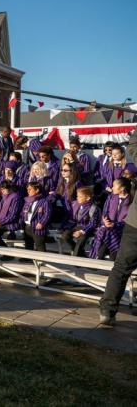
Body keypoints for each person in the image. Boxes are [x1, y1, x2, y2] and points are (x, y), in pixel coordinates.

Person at [100, 132, 137, 326]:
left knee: (121, 269)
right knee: (121, 268)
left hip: (134, 225)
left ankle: (107, 310)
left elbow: (133, 146)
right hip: (134, 225)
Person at [90, 178, 132, 261]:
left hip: (123, 229)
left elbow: (129, 219)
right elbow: (105, 212)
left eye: (114, 186)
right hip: (109, 227)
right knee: (107, 231)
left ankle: (99, 257)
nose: (112, 188)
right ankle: (103, 258)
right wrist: (105, 221)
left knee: (109, 233)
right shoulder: (111, 197)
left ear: (122, 188)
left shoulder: (131, 200)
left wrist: (115, 225)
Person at [59, 186, 99, 257]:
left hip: (87, 228)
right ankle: (80, 253)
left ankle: (76, 257)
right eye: (77, 196)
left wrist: (82, 231)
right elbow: (72, 218)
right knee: (65, 236)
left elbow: (93, 224)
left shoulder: (93, 208)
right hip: (77, 226)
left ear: (87, 198)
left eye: (80, 197)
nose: (77, 198)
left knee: (81, 239)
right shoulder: (77, 205)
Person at [20, 181, 50, 252]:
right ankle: (28, 259)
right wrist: (21, 221)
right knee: (28, 243)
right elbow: (23, 212)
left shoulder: (44, 201)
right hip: (27, 226)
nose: (28, 191)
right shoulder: (27, 200)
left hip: (37, 226)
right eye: (27, 189)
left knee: (39, 244)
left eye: (30, 189)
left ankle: (42, 260)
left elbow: (47, 213)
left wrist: (41, 223)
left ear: (37, 190)